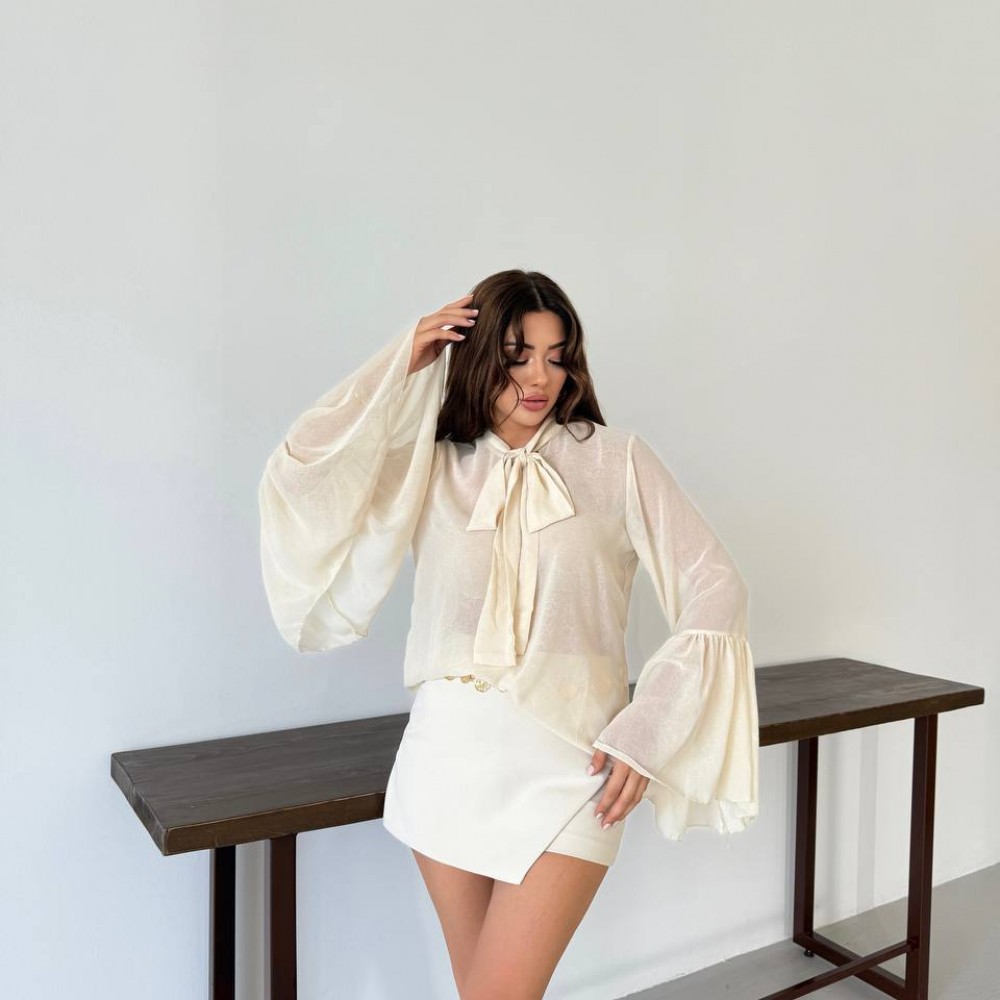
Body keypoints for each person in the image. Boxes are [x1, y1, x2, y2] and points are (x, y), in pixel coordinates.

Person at [258, 269, 760, 999]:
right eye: (517, 355)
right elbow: (303, 471)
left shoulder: (616, 459)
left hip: (573, 764)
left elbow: (718, 587)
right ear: (478, 355)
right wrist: (401, 359)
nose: (540, 378)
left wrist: (649, 727)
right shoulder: (430, 463)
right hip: (445, 756)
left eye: (557, 357)